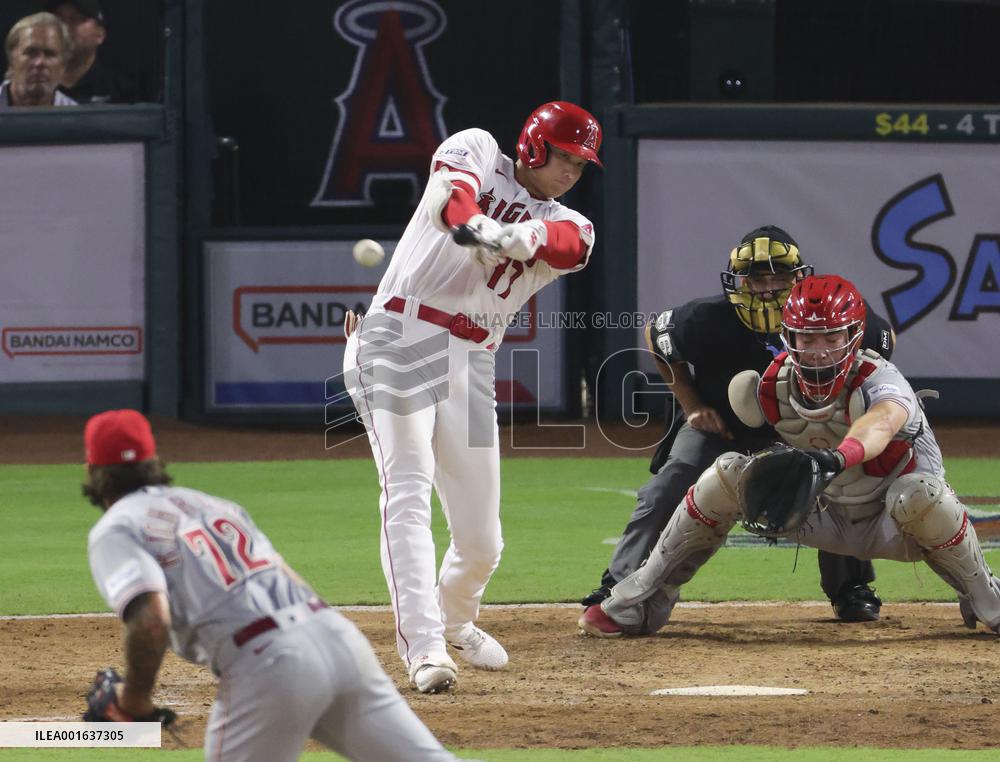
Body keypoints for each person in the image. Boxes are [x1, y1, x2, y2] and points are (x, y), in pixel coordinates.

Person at [343, 101, 602, 693]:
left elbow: (563, 245)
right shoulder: (480, 147)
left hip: (473, 359)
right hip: (398, 333)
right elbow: (449, 203)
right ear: (535, 145)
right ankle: (425, 647)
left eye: (581, 163)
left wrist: (513, 237)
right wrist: (479, 227)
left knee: (482, 540)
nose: (569, 170)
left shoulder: (576, 222)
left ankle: (456, 618)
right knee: (406, 488)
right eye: (563, 156)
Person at [579, 275, 1000, 638]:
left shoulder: (882, 378)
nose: (818, 350)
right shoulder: (770, 385)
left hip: (898, 526)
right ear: (789, 337)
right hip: (823, 515)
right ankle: (638, 601)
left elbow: (881, 425)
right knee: (724, 474)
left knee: (919, 493)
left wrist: (835, 459)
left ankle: (988, 600)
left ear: (854, 336)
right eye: (806, 338)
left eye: (831, 338)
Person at [84, 409, 458, 761]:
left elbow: (151, 619)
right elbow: (288, 575)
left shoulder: (117, 527)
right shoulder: (213, 504)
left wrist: (132, 700)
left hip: (268, 665)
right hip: (339, 639)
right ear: (153, 462)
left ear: (93, 470)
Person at [581, 226, 895, 622]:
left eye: (778, 276)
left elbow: (884, 342)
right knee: (670, 482)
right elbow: (655, 334)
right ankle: (619, 582)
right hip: (721, 429)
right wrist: (692, 406)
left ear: (799, 277)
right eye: (756, 278)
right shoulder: (706, 318)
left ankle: (852, 587)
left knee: (837, 482)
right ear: (738, 281)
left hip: (806, 426)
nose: (766, 288)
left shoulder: (828, 311)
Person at [44, 0, 136, 104]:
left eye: (76, 19)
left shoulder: (121, 91)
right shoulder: (34, 87)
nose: (64, 27)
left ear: (100, 35)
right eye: (58, 20)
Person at [0, 12, 76, 108]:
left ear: (63, 66)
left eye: (50, 54)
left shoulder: (77, 118)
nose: (40, 63)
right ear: (11, 60)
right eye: (31, 52)